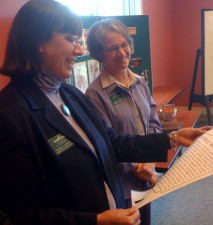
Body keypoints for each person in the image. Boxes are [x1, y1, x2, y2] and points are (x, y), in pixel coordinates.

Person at [0, 1, 211, 225]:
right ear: (38, 41)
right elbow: (20, 215)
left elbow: (113, 143)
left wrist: (173, 138)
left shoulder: (70, 94)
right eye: (71, 40)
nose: (80, 50)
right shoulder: (10, 115)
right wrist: (96, 221)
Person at [85, 18, 160, 225]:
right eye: (113, 48)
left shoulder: (140, 82)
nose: (122, 52)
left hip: (146, 176)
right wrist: (141, 168)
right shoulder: (95, 94)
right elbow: (107, 145)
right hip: (122, 184)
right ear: (100, 54)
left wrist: (150, 162)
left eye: (125, 44)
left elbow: (153, 123)